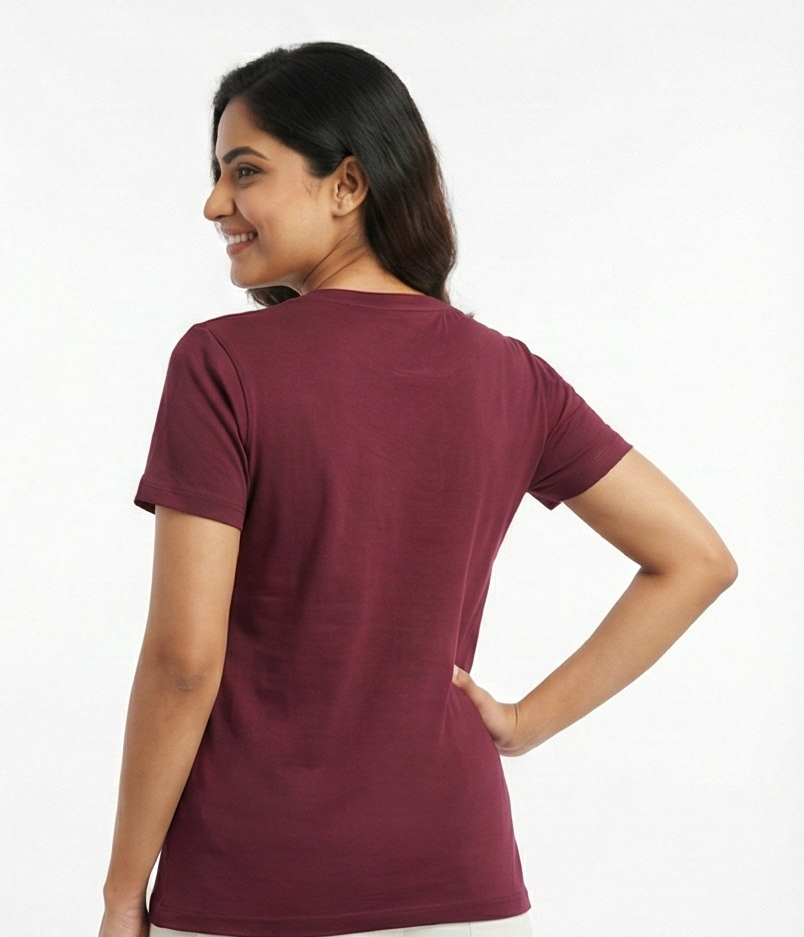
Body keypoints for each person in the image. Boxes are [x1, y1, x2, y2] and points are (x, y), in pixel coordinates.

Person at [97, 42, 738, 937]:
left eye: (244, 171)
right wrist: (520, 723)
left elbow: (183, 661)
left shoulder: (221, 364)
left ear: (346, 184)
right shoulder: (510, 375)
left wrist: (123, 891)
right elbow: (695, 560)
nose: (214, 204)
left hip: (255, 885)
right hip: (460, 881)